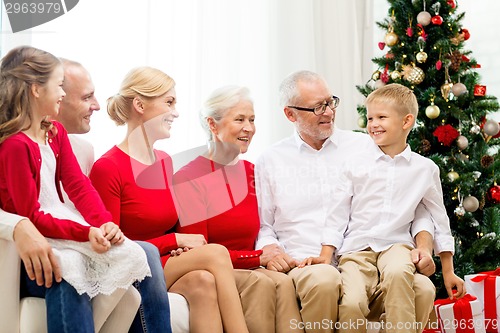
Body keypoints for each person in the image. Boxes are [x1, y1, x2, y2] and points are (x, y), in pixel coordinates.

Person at [255, 70, 437, 333]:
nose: (328, 112)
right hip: (307, 261)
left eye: (330, 102)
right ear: (290, 114)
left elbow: (413, 200)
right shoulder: (271, 160)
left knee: (422, 288)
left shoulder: (367, 146)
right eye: (318, 107)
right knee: (325, 279)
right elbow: (264, 225)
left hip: (367, 260)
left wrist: (423, 245)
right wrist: (271, 251)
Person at [89, 67, 249, 333]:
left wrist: (176, 244)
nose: (176, 112)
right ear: (140, 105)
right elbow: (110, 248)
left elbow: (167, 226)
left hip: (162, 262)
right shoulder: (108, 167)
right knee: (217, 253)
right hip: (129, 268)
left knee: (203, 283)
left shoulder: (163, 161)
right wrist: (174, 241)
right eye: (169, 102)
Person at [0, 46, 148, 333]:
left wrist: (103, 222)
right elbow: (30, 214)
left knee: (133, 255)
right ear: (35, 90)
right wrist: (84, 233)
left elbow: (78, 185)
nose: (63, 94)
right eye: (58, 86)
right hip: (37, 245)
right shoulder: (15, 146)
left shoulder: (55, 132)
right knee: (70, 267)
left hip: (60, 231)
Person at [303, 83, 466, 333]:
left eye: (381, 117)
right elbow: (337, 215)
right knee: (351, 302)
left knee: (400, 275)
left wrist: (448, 271)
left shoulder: (425, 170)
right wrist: (326, 254)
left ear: (406, 121)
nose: (373, 124)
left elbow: (437, 217)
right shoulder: (353, 164)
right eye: (370, 118)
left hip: (397, 245)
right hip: (356, 250)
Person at [173, 85, 303, 333]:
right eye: (240, 119)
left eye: (252, 120)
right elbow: (201, 251)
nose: (249, 128)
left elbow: (268, 226)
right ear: (213, 125)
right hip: (215, 270)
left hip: (250, 264)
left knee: (284, 284)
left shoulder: (251, 172)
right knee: (260, 284)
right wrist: (257, 258)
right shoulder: (189, 177)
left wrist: (271, 253)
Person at [56, 58, 173, 333]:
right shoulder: (108, 165)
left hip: (91, 239)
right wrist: (90, 231)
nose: (97, 104)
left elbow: (81, 191)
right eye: (87, 97)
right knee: (147, 251)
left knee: (202, 278)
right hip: (73, 244)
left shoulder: (76, 146)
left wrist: (104, 223)